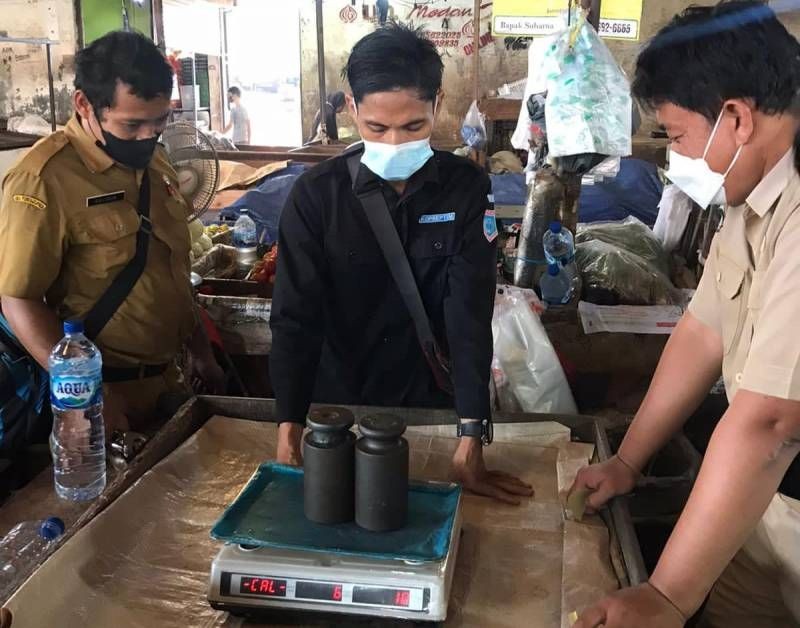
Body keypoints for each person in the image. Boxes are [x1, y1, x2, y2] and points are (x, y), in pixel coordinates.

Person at [571, 3, 800, 627]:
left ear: (736, 117)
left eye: (675, 136)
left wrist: (667, 594)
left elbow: (772, 420)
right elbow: (703, 331)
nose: (676, 157)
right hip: (754, 502)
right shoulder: (751, 197)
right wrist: (626, 461)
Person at [270, 23, 532, 505]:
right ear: (352, 109)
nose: (394, 141)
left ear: (438, 103)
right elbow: (294, 318)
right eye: (376, 127)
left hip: (427, 402)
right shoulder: (316, 197)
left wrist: (471, 433)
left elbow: (468, 315)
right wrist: (289, 427)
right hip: (337, 407)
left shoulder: (465, 188)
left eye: (413, 126)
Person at [0, 30, 225, 436]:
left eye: (159, 123)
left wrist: (201, 351)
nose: (148, 136)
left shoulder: (155, 162)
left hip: (169, 381)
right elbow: (19, 298)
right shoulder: (43, 180)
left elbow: (169, 265)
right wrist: (89, 393)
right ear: (85, 105)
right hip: (107, 397)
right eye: (132, 124)